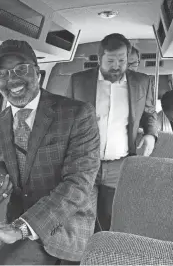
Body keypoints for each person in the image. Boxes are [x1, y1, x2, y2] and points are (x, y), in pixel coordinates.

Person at [0, 39, 100, 264]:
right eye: (3, 73)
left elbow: (78, 184)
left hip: (67, 230)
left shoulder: (77, 115)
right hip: (15, 234)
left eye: (21, 69)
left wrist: (22, 228)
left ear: (37, 73)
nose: (12, 79)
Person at [67, 33, 158, 231]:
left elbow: (150, 113)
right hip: (85, 161)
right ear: (99, 59)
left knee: (110, 216)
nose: (117, 66)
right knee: (81, 215)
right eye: (110, 61)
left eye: (122, 60)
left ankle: (104, 255)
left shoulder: (142, 82)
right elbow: (67, 118)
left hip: (119, 163)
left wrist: (151, 134)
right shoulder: (78, 81)